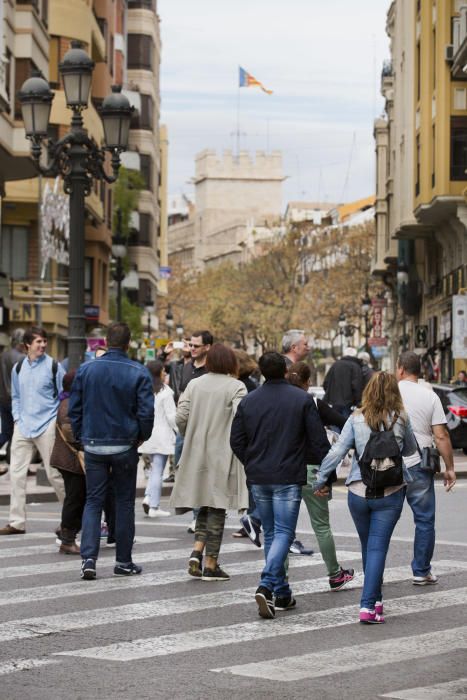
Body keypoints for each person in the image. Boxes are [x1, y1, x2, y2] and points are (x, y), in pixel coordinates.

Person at [230, 352, 330, 619]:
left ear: (262, 372)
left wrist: (250, 462)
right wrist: (326, 476)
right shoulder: (301, 400)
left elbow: (236, 440)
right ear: (286, 371)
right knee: (284, 532)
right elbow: (318, 441)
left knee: (273, 534)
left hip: (259, 476)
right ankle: (266, 583)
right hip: (288, 475)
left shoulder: (249, 401)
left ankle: (281, 592)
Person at [313, 371, 418, 624]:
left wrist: (321, 479)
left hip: (358, 492)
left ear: (368, 391)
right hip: (390, 492)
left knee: (367, 546)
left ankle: (377, 600)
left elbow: (337, 450)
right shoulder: (401, 417)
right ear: (395, 392)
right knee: (378, 547)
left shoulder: (356, 418)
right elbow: (411, 449)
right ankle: (368, 605)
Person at [69, 322, 154, 580]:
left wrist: (81, 436)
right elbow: (146, 413)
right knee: (125, 502)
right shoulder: (138, 372)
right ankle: (123, 561)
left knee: (93, 501)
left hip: (94, 443)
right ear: (128, 343)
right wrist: (140, 437)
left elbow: (75, 409)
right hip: (125, 444)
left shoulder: (86, 370)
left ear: (106, 341)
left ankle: (89, 559)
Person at [170, 343, 247, 581]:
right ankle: (211, 564)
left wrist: (191, 433)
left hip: (196, 452)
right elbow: (242, 419)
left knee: (204, 504)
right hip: (222, 453)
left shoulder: (194, 384)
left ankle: (197, 552)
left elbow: (180, 417)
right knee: (218, 508)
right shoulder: (237, 386)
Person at [288, 362, 355, 590]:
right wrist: (327, 477)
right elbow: (343, 423)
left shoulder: (278, 401)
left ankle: (279, 581)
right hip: (312, 469)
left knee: (283, 529)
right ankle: (335, 574)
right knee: (321, 526)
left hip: (284, 471)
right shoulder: (313, 402)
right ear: (307, 383)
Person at [396, 351, 456, 585]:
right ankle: (421, 570)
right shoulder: (429, 395)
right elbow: (441, 436)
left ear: (400, 369)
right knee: (424, 519)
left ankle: (376, 572)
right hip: (420, 459)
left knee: (383, 519)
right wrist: (449, 467)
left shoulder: (389, 392)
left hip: (390, 459)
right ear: (418, 371)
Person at [0, 326, 65, 536]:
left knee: (55, 475)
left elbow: (64, 396)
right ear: (27, 344)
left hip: (47, 425)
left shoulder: (53, 366)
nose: (43, 345)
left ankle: (70, 519)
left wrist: (55, 420)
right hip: (23, 426)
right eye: (39, 342)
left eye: (45, 341)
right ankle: (17, 522)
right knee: (16, 475)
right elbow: (16, 396)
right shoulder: (18, 367)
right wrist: (17, 418)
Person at [50, 370, 85, 555]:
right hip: (69, 459)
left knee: (79, 497)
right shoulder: (68, 403)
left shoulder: (70, 401)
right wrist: (87, 444)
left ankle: (65, 530)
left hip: (70, 459)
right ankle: (67, 539)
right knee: (75, 498)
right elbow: (71, 432)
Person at [140, 359, 177, 518]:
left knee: (154, 469)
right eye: (163, 371)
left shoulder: (144, 389)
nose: (165, 373)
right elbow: (172, 417)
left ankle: (149, 497)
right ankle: (154, 505)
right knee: (158, 471)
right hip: (162, 435)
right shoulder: (166, 392)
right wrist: (179, 430)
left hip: (147, 434)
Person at [0, 328, 25, 471]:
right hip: (15, 401)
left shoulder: (3, 355)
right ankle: (14, 462)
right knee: (17, 434)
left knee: (7, 433)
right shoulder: (21, 358)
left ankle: (12, 461)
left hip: (2, 399)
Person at [323, 346, 363, 419]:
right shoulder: (356, 367)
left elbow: (326, 383)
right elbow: (357, 386)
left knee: (335, 424)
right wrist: (358, 402)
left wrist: (331, 395)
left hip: (334, 403)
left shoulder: (335, 365)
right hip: (349, 404)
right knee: (346, 426)